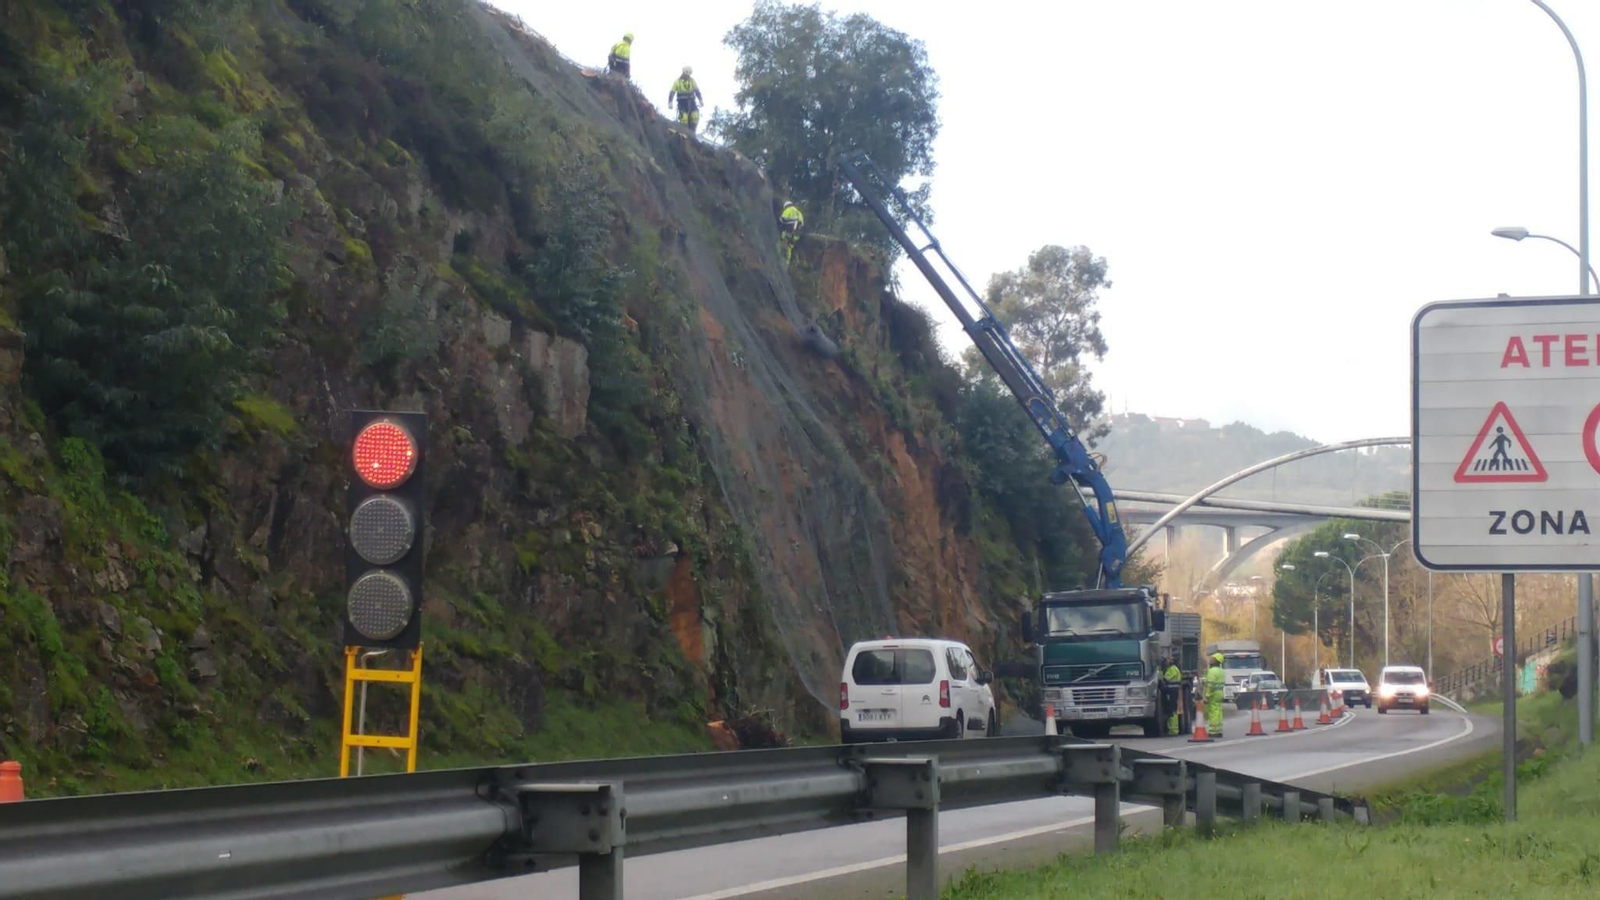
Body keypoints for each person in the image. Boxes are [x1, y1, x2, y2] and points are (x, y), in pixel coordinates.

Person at [669, 66, 703, 133]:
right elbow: (672, 92)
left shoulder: (692, 81)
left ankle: (692, 132)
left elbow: (697, 91)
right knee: (684, 118)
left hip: (692, 102)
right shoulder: (677, 82)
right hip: (682, 103)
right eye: (686, 75)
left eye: (688, 75)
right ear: (683, 73)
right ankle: (684, 132)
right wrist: (670, 102)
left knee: (695, 116)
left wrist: (700, 99)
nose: (687, 76)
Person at [1204, 651, 1226, 737]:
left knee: (1213, 712)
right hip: (1219, 692)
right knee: (1218, 711)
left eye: (1212, 658)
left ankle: (1213, 731)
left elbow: (1210, 685)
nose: (1210, 660)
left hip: (1213, 694)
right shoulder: (1221, 671)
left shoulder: (1212, 671)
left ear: (1216, 660)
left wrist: (1207, 695)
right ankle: (1218, 729)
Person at [1161, 654, 1184, 736]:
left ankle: (1173, 730)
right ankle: (1173, 729)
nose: (1166, 661)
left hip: (1171, 691)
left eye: (1168, 660)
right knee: (1172, 710)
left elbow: (1165, 679)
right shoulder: (1174, 669)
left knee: (1171, 710)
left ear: (1172, 661)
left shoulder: (1172, 669)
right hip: (1174, 691)